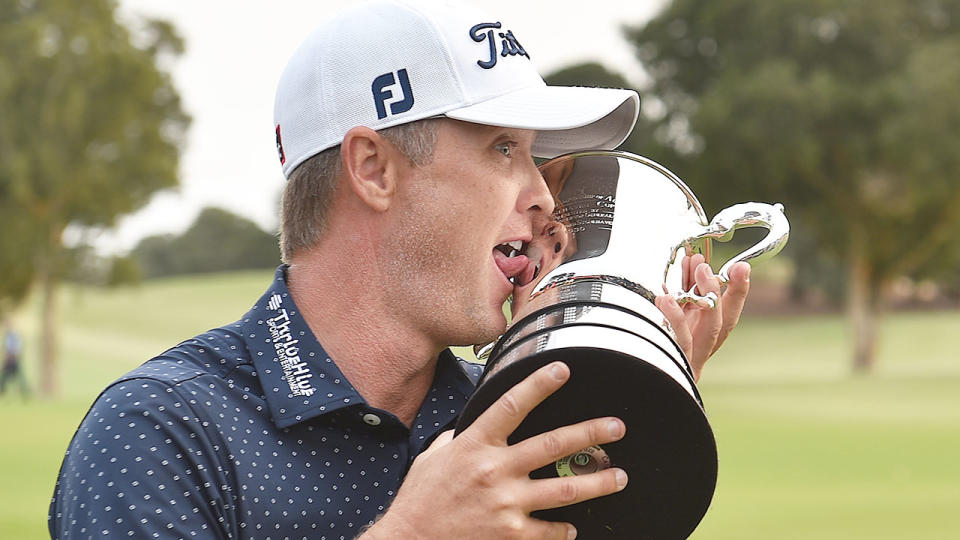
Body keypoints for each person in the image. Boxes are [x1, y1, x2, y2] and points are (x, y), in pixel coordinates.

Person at [48, 1, 752, 538]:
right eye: (503, 148)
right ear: (374, 169)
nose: (543, 197)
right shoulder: (161, 430)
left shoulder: (515, 411)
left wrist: (636, 395)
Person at [1, 320, 28, 398]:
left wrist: (13, 356)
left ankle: (25, 393)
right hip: (8, 360)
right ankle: (2, 392)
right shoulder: (7, 336)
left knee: (19, 377)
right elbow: (5, 348)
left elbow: (17, 348)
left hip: (14, 359)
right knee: (4, 377)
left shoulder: (15, 336)